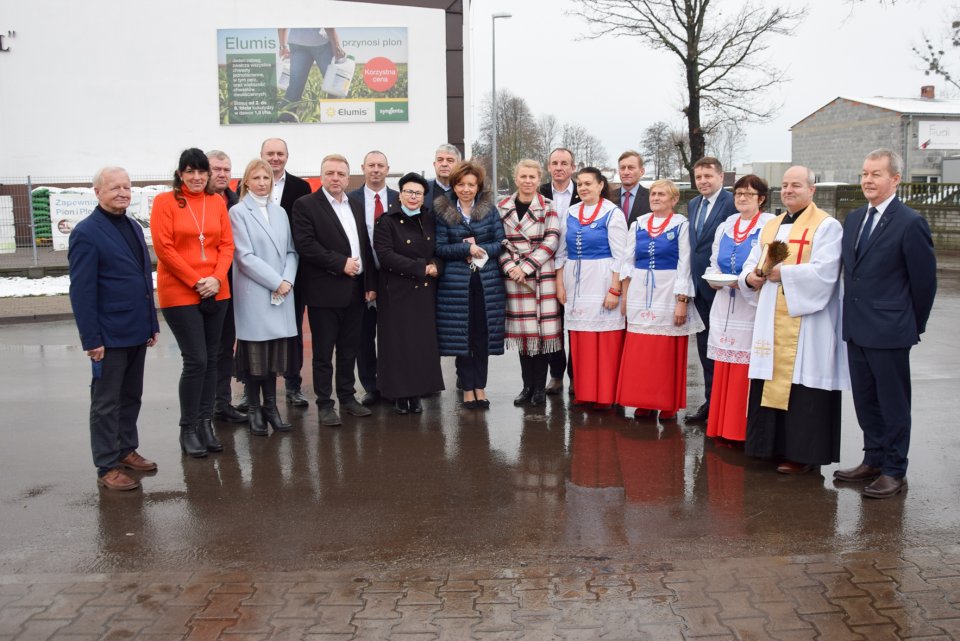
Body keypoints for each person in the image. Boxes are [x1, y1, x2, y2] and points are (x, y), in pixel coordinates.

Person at [836, 149, 937, 498]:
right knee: (865, 400)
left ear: (895, 179)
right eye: (864, 173)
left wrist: (910, 325)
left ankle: (895, 470)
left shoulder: (910, 222)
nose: (867, 180)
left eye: (876, 174)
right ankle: (873, 459)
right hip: (856, 328)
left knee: (893, 404)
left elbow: (924, 284)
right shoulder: (853, 220)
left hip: (890, 331)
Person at [740, 166, 849, 475]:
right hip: (771, 312)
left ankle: (802, 453)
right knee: (770, 373)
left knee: (803, 380)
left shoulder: (827, 226)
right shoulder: (771, 226)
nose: (788, 190)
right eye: (785, 185)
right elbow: (754, 260)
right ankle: (768, 446)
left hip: (807, 320)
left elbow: (826, 272)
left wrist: (782, 274)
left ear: (811, 190)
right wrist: (750, 276)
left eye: (796, 185)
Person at [68, 167, 160, 490]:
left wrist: (152, 322)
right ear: (97, 192)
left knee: (131, 395)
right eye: (114, 188)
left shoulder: (133, 226)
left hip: (136, 330)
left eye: (126, 186)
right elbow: (81, 292)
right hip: (108, 335)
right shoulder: (86, 233)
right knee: (106, 402)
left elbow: (143, 279)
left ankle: (125, 449)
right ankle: (106, 465)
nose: (122, 192)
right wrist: (91, 339)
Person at [151, 148, 235, 458]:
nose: (197, 177)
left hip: (217, 289)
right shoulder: (165, 202)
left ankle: (205, 424)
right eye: (191, 171)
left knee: (212, 358)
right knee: (196, 359)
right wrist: (196, 281)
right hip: (181, 291)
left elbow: (227, 245)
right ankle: (188, 427)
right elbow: (165, 248)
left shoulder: (217, 202)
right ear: (180, 173)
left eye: (202, 172)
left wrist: (215, 278)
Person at [292, 154, 376, 427]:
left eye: (341, 173)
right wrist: (341, 264)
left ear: (348, 177)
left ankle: (348, 398)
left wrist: (369, 284)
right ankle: (326, 404)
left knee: (349, 349)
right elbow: (306, 245)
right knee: (323, 353)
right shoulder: (306, 205)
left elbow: (364, 245)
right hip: (324, 292)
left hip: (355, 291)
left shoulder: (354, 203)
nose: (336, 178)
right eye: (330, 173)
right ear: (322, 175)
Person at [616, 179, 703, 419]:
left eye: (662, 194)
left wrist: (681, 300)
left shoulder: (681, 225)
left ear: (674, 199)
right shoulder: (639, 224)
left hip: (668, 289)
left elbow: (685, 264)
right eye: (653, 193)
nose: (655, 197)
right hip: (640, 291)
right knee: (642, 351)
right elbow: (627, 261)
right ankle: (644, 400)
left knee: (664, 351)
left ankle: (666, 402)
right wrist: (625, 295)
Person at [229, 159, 299, 436]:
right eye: (256, 178)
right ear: (246, 181)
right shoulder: (238, 212)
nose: (261, 183)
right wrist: (275, 281)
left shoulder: (280, 212)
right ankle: (255, 409)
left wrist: (287, 280)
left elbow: (292, 251)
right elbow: (243, 257)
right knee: (255, 358)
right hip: (257, 292)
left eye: (266, 178)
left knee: (272, 359)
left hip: (281, 292)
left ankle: (271, 407)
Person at [703, 175, 776, 441]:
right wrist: (713, 278)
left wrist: (748, 281)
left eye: (748, 193)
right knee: (723, 364)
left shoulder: (769, 226)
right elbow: (714, 262)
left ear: (761, 198)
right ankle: (721, 425)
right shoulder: (726, 226)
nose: (742, 198)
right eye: (738, 193)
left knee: (745, 369)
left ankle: (741, 430)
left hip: (752, 306)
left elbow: (769, 264)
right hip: (724, 303)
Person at [434, 160, 506, 409]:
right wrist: (465, 248)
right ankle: (467, 388)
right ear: (454, 186)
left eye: (471, 185)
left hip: (487, 284)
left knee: (482, 338)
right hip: (456, 285)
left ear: (478, 187)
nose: (466, 189)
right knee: (462, 337)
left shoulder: (490, 210)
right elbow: (440, 247)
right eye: (461, 184)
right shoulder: (443, 211)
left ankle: (480, 387)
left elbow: (500, 242)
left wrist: (481, 249)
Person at [555, 167, 628, 409]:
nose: (584, 188)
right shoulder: (571, 212)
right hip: (575, 283)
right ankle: (586, 392)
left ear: (600, 185)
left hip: (602, 278)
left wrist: (615, 289)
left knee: (605, 340)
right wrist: (560, 284)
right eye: (580, 184)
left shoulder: (612, 213)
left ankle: (606, 395)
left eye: (588, 183)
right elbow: (561, 252)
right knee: (582, 340)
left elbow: (621, 256)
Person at [373, 172, 444, 413]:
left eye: (418, 193)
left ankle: (417, 393)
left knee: (420, 345)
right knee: (398, 345)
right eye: (409, 192)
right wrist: (420, 268)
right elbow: (385, 255)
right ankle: (399, 395)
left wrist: (436, 265)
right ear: (400, 194)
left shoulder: (430, 219)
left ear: (424, 197)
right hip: (397, 292)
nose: (413, 197)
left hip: (424, 292)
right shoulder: (387, 221)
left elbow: (438, 249)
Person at [496, 159, 562, 406]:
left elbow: (552, 239)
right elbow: (497, 240)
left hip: (541, 276)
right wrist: (511, 267)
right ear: (516, 178)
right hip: (514, 279)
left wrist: (526, 266)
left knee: (542, 336)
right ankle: (527, 387)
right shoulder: (502, 207)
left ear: (538, 179)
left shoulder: (549, 206)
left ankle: (539, 389)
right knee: (525, 337)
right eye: (523, 176)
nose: (527, 181)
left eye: (532, 177)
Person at [260, 138, 313, 407]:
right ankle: (255, 388)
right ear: (262, 155)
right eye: (270, 153)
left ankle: (293, 386)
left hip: (294, 272)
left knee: (292, 331)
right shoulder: (248, 186)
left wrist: (289, 273)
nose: (275, 158)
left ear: (287, 156)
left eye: (280, 153)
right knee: (258, 332)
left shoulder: (300, 187)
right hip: (258, 274)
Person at [686, 157, 738, 422]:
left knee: (725, 348)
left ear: (720, 177)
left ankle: (725, 407)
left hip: (724, 289)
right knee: (706, 348)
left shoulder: (731, 203)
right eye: (699, 177)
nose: (703, 181)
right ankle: (710, 403)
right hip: (699, 287)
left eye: (708, 176)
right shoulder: (693, 204)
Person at [347, 150, 400, 406]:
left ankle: (391, 383)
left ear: (387, 169)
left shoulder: (400, 199)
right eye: (371, 165)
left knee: (391, 335)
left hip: (394, 278)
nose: (376, 169)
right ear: (363, 168)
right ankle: (370, 386)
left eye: (380, 165)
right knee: (363, 336)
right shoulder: (349, 201)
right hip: (362, 279)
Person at [206, 150, 246, 424]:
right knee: (205, 353)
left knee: (224, 349)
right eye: (216, 169)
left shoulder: (235, 202)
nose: (222, 174)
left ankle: (222, 403)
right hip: (205, 287)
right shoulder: (199, 202)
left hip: (232, 288)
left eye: (226, 169)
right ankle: (205, 407)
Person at [539, 147, 581, 396]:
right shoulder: (540, 192)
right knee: (553, 325)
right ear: (548, 167)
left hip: (577, 268)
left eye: (564, 163)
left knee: (575, 324)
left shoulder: (583, 191)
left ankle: (576, 376)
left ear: (572, 167)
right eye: (554, 163)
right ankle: (556, 375)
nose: (559, 167)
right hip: (545, 265)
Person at [278, 28, 346, 104]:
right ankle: (332, 114)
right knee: (335, 85)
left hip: (296, 41)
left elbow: (282, 24)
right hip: (320, 41)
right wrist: (336, 45)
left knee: (294, 88)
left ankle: (287, 115)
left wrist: (283, 46)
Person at [614, 151, 651, 226]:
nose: (626, 172)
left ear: (642, 171)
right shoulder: (609, 197)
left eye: (631, 168)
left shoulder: (651, 197)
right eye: (622, 168)